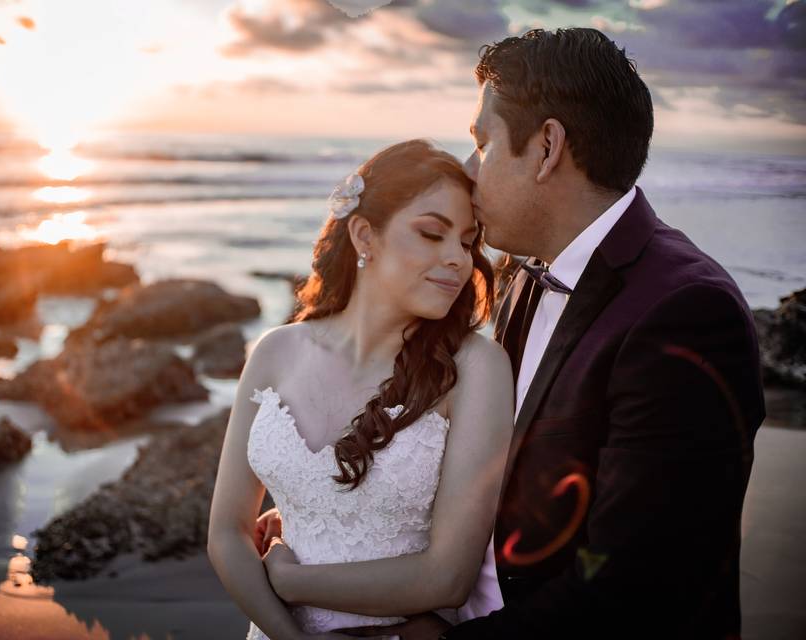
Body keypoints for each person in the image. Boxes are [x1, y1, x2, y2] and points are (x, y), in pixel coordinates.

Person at [255, 28, 766, 640]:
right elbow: (493, 468)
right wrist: (331, 508)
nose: (470, 173)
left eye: (482, 143)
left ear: (547, 147)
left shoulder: (685, 312)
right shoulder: (523, 275)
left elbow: (638, 587)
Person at [207, 139, 515, 639]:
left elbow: (447, 580)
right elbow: (227, 532)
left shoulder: (476, 369)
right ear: (364, 235)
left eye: (466, 241)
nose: (459, 259)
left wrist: (292, 580)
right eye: (433, 234)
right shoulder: (274, 353)